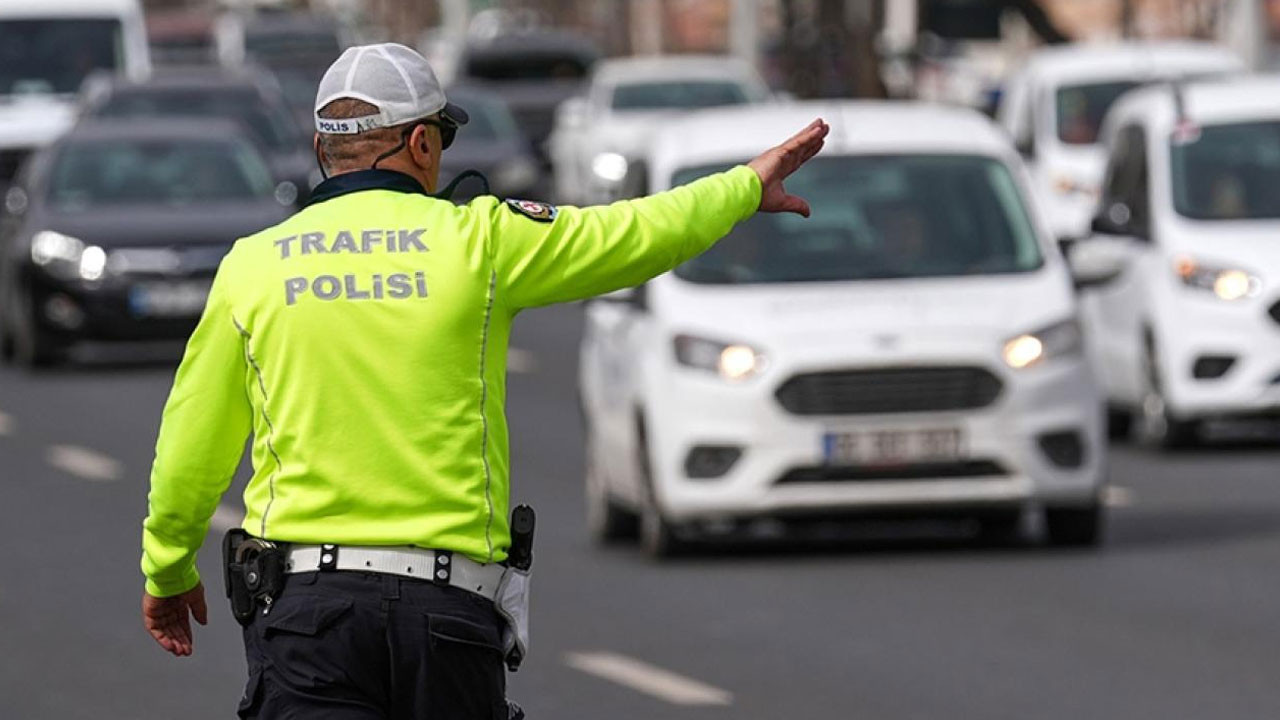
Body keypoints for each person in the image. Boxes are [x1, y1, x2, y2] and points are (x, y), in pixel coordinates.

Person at [139, 42, 828, 719]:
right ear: (419, 144)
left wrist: (168, 572)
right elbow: (634, 234)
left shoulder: (253, 266)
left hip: (308, 619)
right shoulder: (482, 241)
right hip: (447, 615)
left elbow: (191, 445)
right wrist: (743, 187)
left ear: (326, 150)